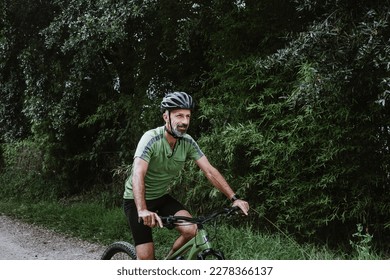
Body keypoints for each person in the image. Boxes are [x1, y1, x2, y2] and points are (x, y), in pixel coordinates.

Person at [123, 91, 250, 260]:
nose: (184, 121)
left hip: (160, 197)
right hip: (136, 201)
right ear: (166, 117)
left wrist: (235, 198)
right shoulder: (151, 139)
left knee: (191, 230)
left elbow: (209, 171)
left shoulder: (187, 142)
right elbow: (138, 173)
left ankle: (167, 262)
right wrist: (142, 210)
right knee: (146, 260)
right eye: (179, 115)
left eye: (188, 116)